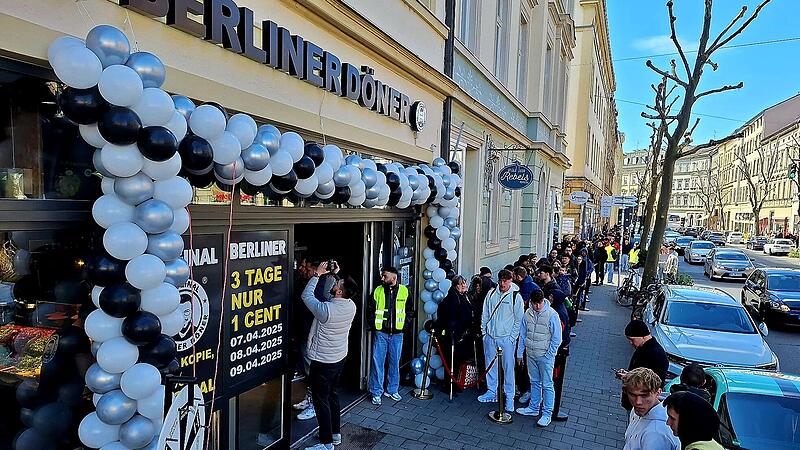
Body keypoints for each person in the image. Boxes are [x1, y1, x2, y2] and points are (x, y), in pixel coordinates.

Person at [302, 262, 358, 450]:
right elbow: (330, 297)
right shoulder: (350, 306)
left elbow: (307, 296)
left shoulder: (326, 311)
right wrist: (334, 274)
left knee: (320, 401)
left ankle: (326, 443)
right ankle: (335, 435)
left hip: (323, 360)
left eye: (338, 283)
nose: (337, 283)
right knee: (333, 395)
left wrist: (317, 274)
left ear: (340, 292)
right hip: (338, 358)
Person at [478, 269, 524, 412]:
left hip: (506, 339)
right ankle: (492, 392)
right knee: (490, 366)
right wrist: (484, 332)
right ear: (498, 280)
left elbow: (519, 320)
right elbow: (485, 313)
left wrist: (512, 338)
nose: (503, 283)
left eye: (506, 281)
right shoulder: (491, 294)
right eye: (501, 280)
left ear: (511, 281)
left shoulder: (516, 297)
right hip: (490, 337)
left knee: (508, 368)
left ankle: (509, 397)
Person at [515, 290, 562, 427]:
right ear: (531, 302)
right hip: (531, 353)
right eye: (535, 304)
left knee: (547, 384)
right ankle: (534, 408)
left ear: (543, 301)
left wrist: (549, 355)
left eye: (539, 303)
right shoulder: (527, 313)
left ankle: (547, 413)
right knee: (535, 382)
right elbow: (522, 334)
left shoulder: (552, 315)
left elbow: (557, 338)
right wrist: (520, 353)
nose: (537, 306)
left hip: (544, 355)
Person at [367, 267, 412, 405]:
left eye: (385, 276)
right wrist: (374, 326)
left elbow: (410, 311)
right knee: (377, 363)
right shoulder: (378, 291)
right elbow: (370, 310)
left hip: (397, 334)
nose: (382, 278)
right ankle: (376, 392)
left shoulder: (405, 291)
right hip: (381, 333)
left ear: (394, 277)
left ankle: (392, 390)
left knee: (394, 363)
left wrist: (405, 326)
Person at [617, 320, 669, 411]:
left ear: (642, 336)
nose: (630, 343)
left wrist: (628, 377)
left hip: (642, 404)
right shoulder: (643, 347)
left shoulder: (655, 354)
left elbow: (653, 383)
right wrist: (628, 374)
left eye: (632, 339)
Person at [622, 368, 680, 450]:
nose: (638, 402)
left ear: (658, 393)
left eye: (644, 396)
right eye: (632, 395)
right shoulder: (639, 410)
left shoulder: (657, 433)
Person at [435, 275, 473, 394]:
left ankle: (455, 383)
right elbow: (450, 317)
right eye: (461, 284)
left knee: (457, 361)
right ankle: (449, 384)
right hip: (453, 335)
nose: (464, 286)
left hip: (461, 334)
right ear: (456, 285)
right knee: (451, 361)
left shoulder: (463, 296)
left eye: (464, 283)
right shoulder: (452, 299)